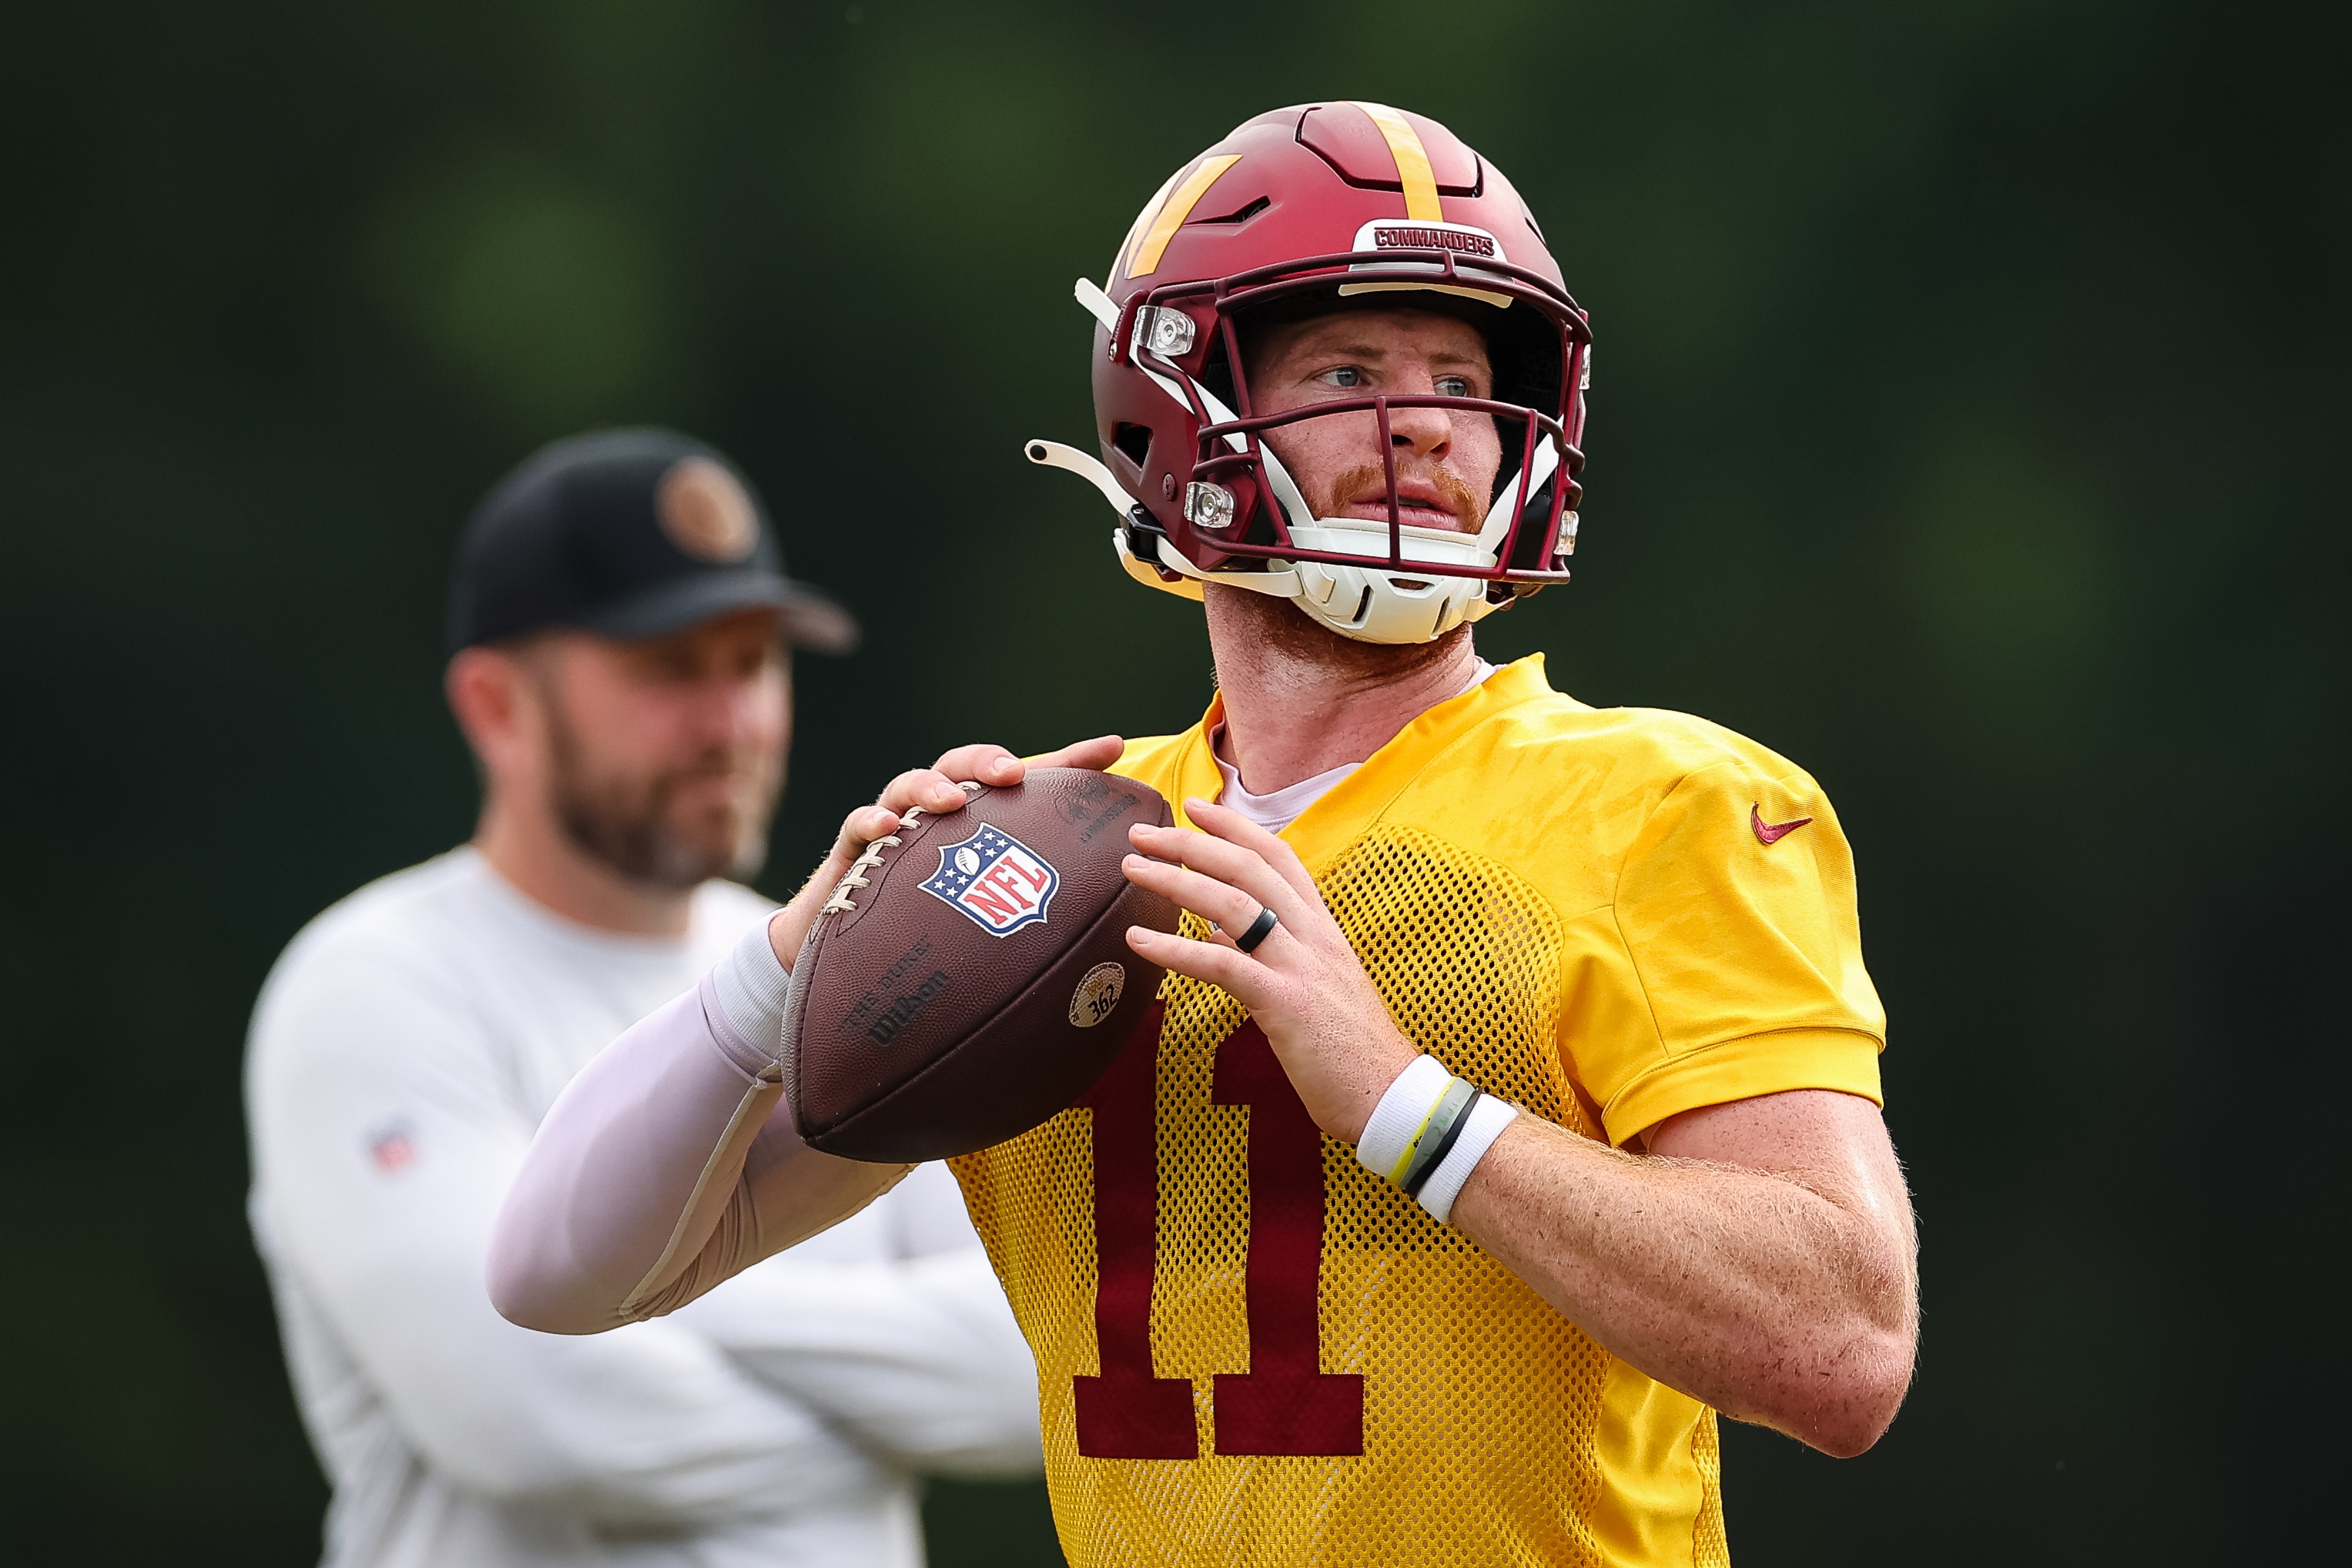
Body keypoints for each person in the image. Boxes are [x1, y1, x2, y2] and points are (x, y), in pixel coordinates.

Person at [491, 105, 1918, 1567]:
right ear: (1179, 411)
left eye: (1464, 380)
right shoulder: (1072, 855)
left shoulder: (1664, 804)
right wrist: (789, 959)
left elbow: (1844, 1341)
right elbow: (557, 1272)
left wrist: (1407, 1105)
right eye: (1352, 370)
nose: (1427, 420)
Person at [245, 428, 1043, 1568]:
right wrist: (887, 1421)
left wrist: (623, 1283)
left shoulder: (853, 964)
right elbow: (531, 1416)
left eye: (755, 661)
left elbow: (1032, 1366)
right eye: (671, 669)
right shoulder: (374, 980)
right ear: (498, 707)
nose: (733, 722)